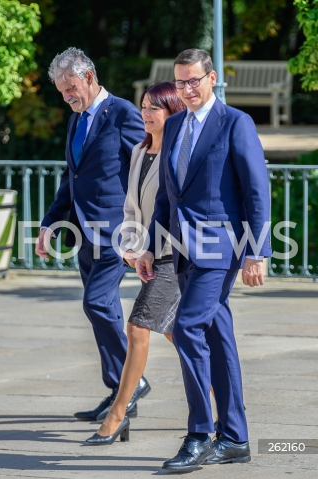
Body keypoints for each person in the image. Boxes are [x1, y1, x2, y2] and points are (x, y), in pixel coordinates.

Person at [135, 49, 272, 472]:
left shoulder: (236, 123)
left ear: (211, 79)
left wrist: (257, 251)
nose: (187, 89)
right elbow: (166, 194)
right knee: (217, 336)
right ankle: (235, 438)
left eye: (194, 80)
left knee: (187, 325)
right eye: (180, 83)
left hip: (221, 248)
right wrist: (149, 246)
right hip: (178, 248)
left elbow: (256, 189)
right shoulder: (174, 124)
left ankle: (199, 433)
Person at [35, 47, 150, 422]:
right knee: (106, 310)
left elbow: (147, 168)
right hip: (83, 232)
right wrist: (50, 222)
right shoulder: (76, 120)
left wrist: (145, 225)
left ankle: (131, 385)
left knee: (97, 303)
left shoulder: (122, 114)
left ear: (87, 76)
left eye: (70, 88)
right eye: (61, 91)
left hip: (117, 231)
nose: (67, 96)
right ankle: (120, 390)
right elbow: (73, 178)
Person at [85, 82, 186, 445]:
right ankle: (215, 403)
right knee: (181, 335)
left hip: (174, 256)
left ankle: (117, 414)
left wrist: (150, 249)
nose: (145, 113)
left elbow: (176, 212)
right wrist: (131, 248)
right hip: (146, 255)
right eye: (143, 107)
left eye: (153, 108)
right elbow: (131, 207)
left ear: (173, 113)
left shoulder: (179, 154)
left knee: (137, 328)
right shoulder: (140, 151)